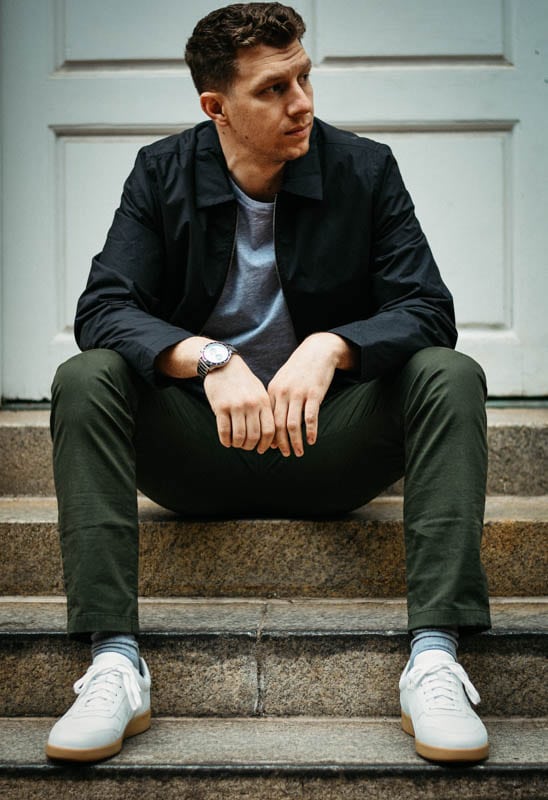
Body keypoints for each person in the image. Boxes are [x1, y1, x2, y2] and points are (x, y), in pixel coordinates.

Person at [45, 2, 491, 765]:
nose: (303, 103)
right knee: (84, 378)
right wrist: (209, 360)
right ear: (215, 108)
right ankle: (115, 662)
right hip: (199, 452)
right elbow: (104, 309)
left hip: (329, 448)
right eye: (274, 89)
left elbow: (427, 308)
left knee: (450, 373)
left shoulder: (364, 168)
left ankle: (435, 658)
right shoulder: (162, 172)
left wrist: (331, 346)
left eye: (305, 77)